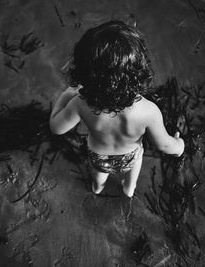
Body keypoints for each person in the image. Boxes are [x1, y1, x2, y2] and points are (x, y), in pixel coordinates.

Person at [49, 21, 184, 197]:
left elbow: (56, 127)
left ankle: (97, 188)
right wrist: (179, 147)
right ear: (138, 72)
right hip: (131, 156)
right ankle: (129, 189)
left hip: (99, 157)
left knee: (98, 177)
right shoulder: (148, 111)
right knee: (132, 174)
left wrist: (66, 95)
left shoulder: (80, 103)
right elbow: (163, 144)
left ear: (84, 73)